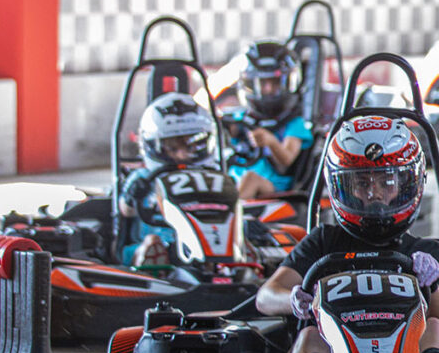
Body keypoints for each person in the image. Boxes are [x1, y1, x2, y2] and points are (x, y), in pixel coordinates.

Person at [253, 115, 439, 353]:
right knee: (312, 336)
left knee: (434, 326)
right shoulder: (323, 243)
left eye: (386, 182)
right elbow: (265, 297)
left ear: (408, 184)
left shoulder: (426, 252)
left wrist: (432, 285)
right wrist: (293, 299)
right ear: (342, 187)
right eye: (361, 184)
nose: (374, 194)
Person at [118, 92, 219, 268]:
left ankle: (227, 266)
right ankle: (153, 265)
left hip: (196, 242)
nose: (181, 154)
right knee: (152, 242)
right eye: (173, 148)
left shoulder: (210, 176)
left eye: (189, 146)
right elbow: (126, 212)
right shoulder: (142, 178)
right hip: (152, 240)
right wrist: (134, 194)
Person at [228, 40, 315, 200]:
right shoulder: (242, 119)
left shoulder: (294, 124)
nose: (267, 90)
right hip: (235, 178)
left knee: (250, 179)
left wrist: (271, 142)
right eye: (262, 83)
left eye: (274, 83)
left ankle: (231, 219)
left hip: (272, 186)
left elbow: (287, 160)